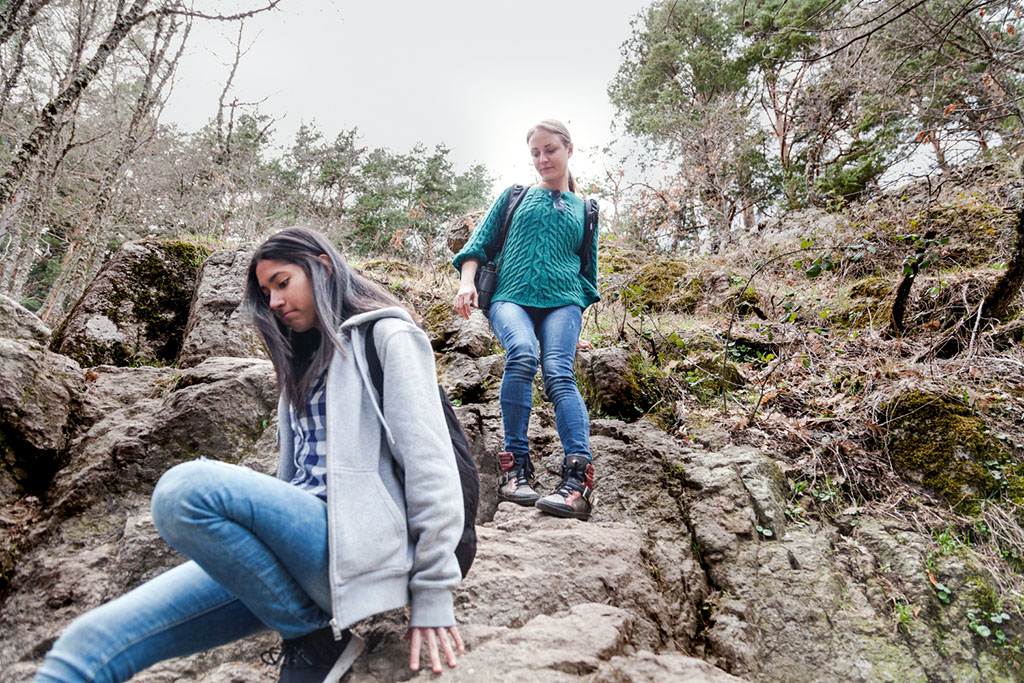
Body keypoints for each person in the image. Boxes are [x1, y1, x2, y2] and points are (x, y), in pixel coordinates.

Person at [36, 227, 466, 683]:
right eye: (266, 292)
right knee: (87, 643)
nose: (275, 301)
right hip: (300, 555)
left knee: (185, 490)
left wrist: (433, 592)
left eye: (282, 282)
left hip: (361, 545)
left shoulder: (386, 334)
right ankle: (311, 638)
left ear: (321, 267)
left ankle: (312, 637)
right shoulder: (303, 358)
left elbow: (430, 467)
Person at [452, 119, 599, 521]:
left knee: (558, 371)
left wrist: (571, 332)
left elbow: (588, 278)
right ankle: (515, 469)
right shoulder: (515, 196)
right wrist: (467, 285)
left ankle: (577, 482)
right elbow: (475, 247)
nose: (542, 159)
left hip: (563, 304)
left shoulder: (586, 209)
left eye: (550, 149)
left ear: (569, 149)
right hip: (510, 298)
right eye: (535, 152)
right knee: (521, 354)